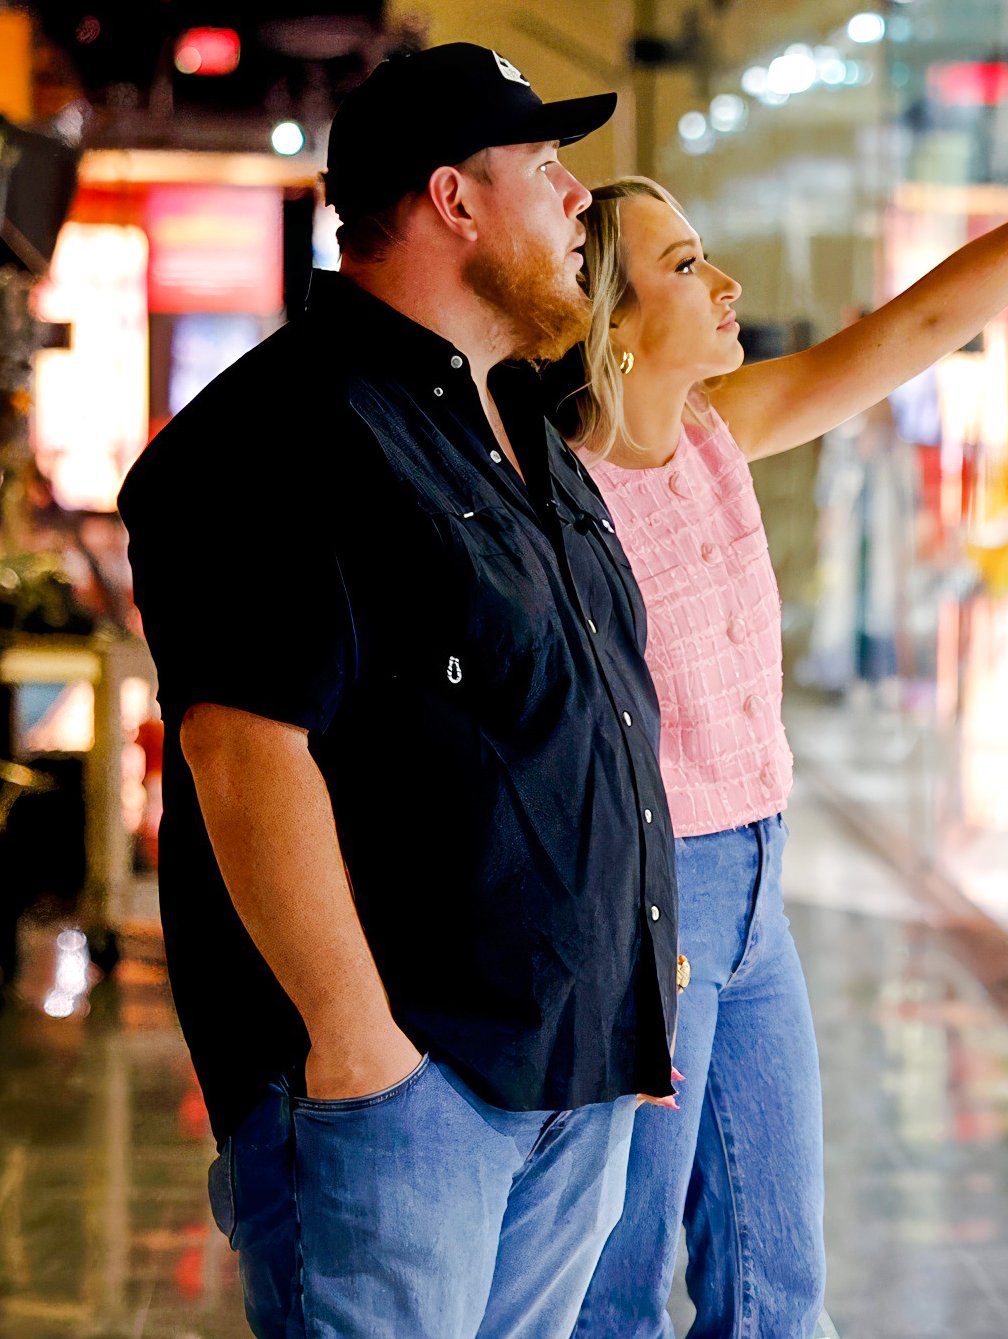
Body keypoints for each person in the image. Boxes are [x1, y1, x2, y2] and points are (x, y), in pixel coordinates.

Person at [555, 105, 1008, 1338]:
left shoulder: (717, 436)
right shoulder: (563, 496)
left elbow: (918, 329)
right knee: (621, 1286)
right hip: (653, 906)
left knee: (781, 1280)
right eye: (686, 265)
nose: (726, 283)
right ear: (615, 319)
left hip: (759, 892)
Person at [117, 45, 682, 1338]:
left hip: (568, 1078)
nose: (580, 199)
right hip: (406, 1101)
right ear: (453, 198)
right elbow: (241, 753)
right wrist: (361, 1048)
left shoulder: (520, 422)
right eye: (547, 167)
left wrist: (630, 980)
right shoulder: (280, 436)